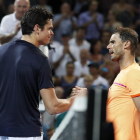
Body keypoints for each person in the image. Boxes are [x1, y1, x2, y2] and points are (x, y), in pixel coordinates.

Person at [0, 7, 86, 140]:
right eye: (49, 28)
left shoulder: (1, 51)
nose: (52, 32)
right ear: (37, 28)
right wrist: (76, 99)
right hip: (26, 133)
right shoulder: (40, 59)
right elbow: (53, 107)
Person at [106, 27, 140, 140]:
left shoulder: (133, 72)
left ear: (126, 44)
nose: (108, 46)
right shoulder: (125, 73)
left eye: (113, 42)